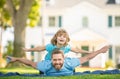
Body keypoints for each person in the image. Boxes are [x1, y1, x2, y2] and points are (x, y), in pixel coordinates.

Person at [7, 45, 110, 76]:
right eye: (54, 60)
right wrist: (15, 59)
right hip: (46, 70)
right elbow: (29, 63)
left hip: (69, 70)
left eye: (59, 60)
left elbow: (87, 57)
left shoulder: (69, 62)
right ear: (50, 59)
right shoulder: (46, 65)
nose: (57, 62)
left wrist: (100, 50)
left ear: (63, 59)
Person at [23, 29, 91, 60]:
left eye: (64, 37)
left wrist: (88, 52)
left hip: (59, 62)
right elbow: (39, 48)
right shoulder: (51, 46)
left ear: (66, 40)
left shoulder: (67, 47)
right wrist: (28, 49)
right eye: (60, 36)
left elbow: (77, 50)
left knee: (68, 60)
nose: (62, 37)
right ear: (56, 37)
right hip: (49, 61)